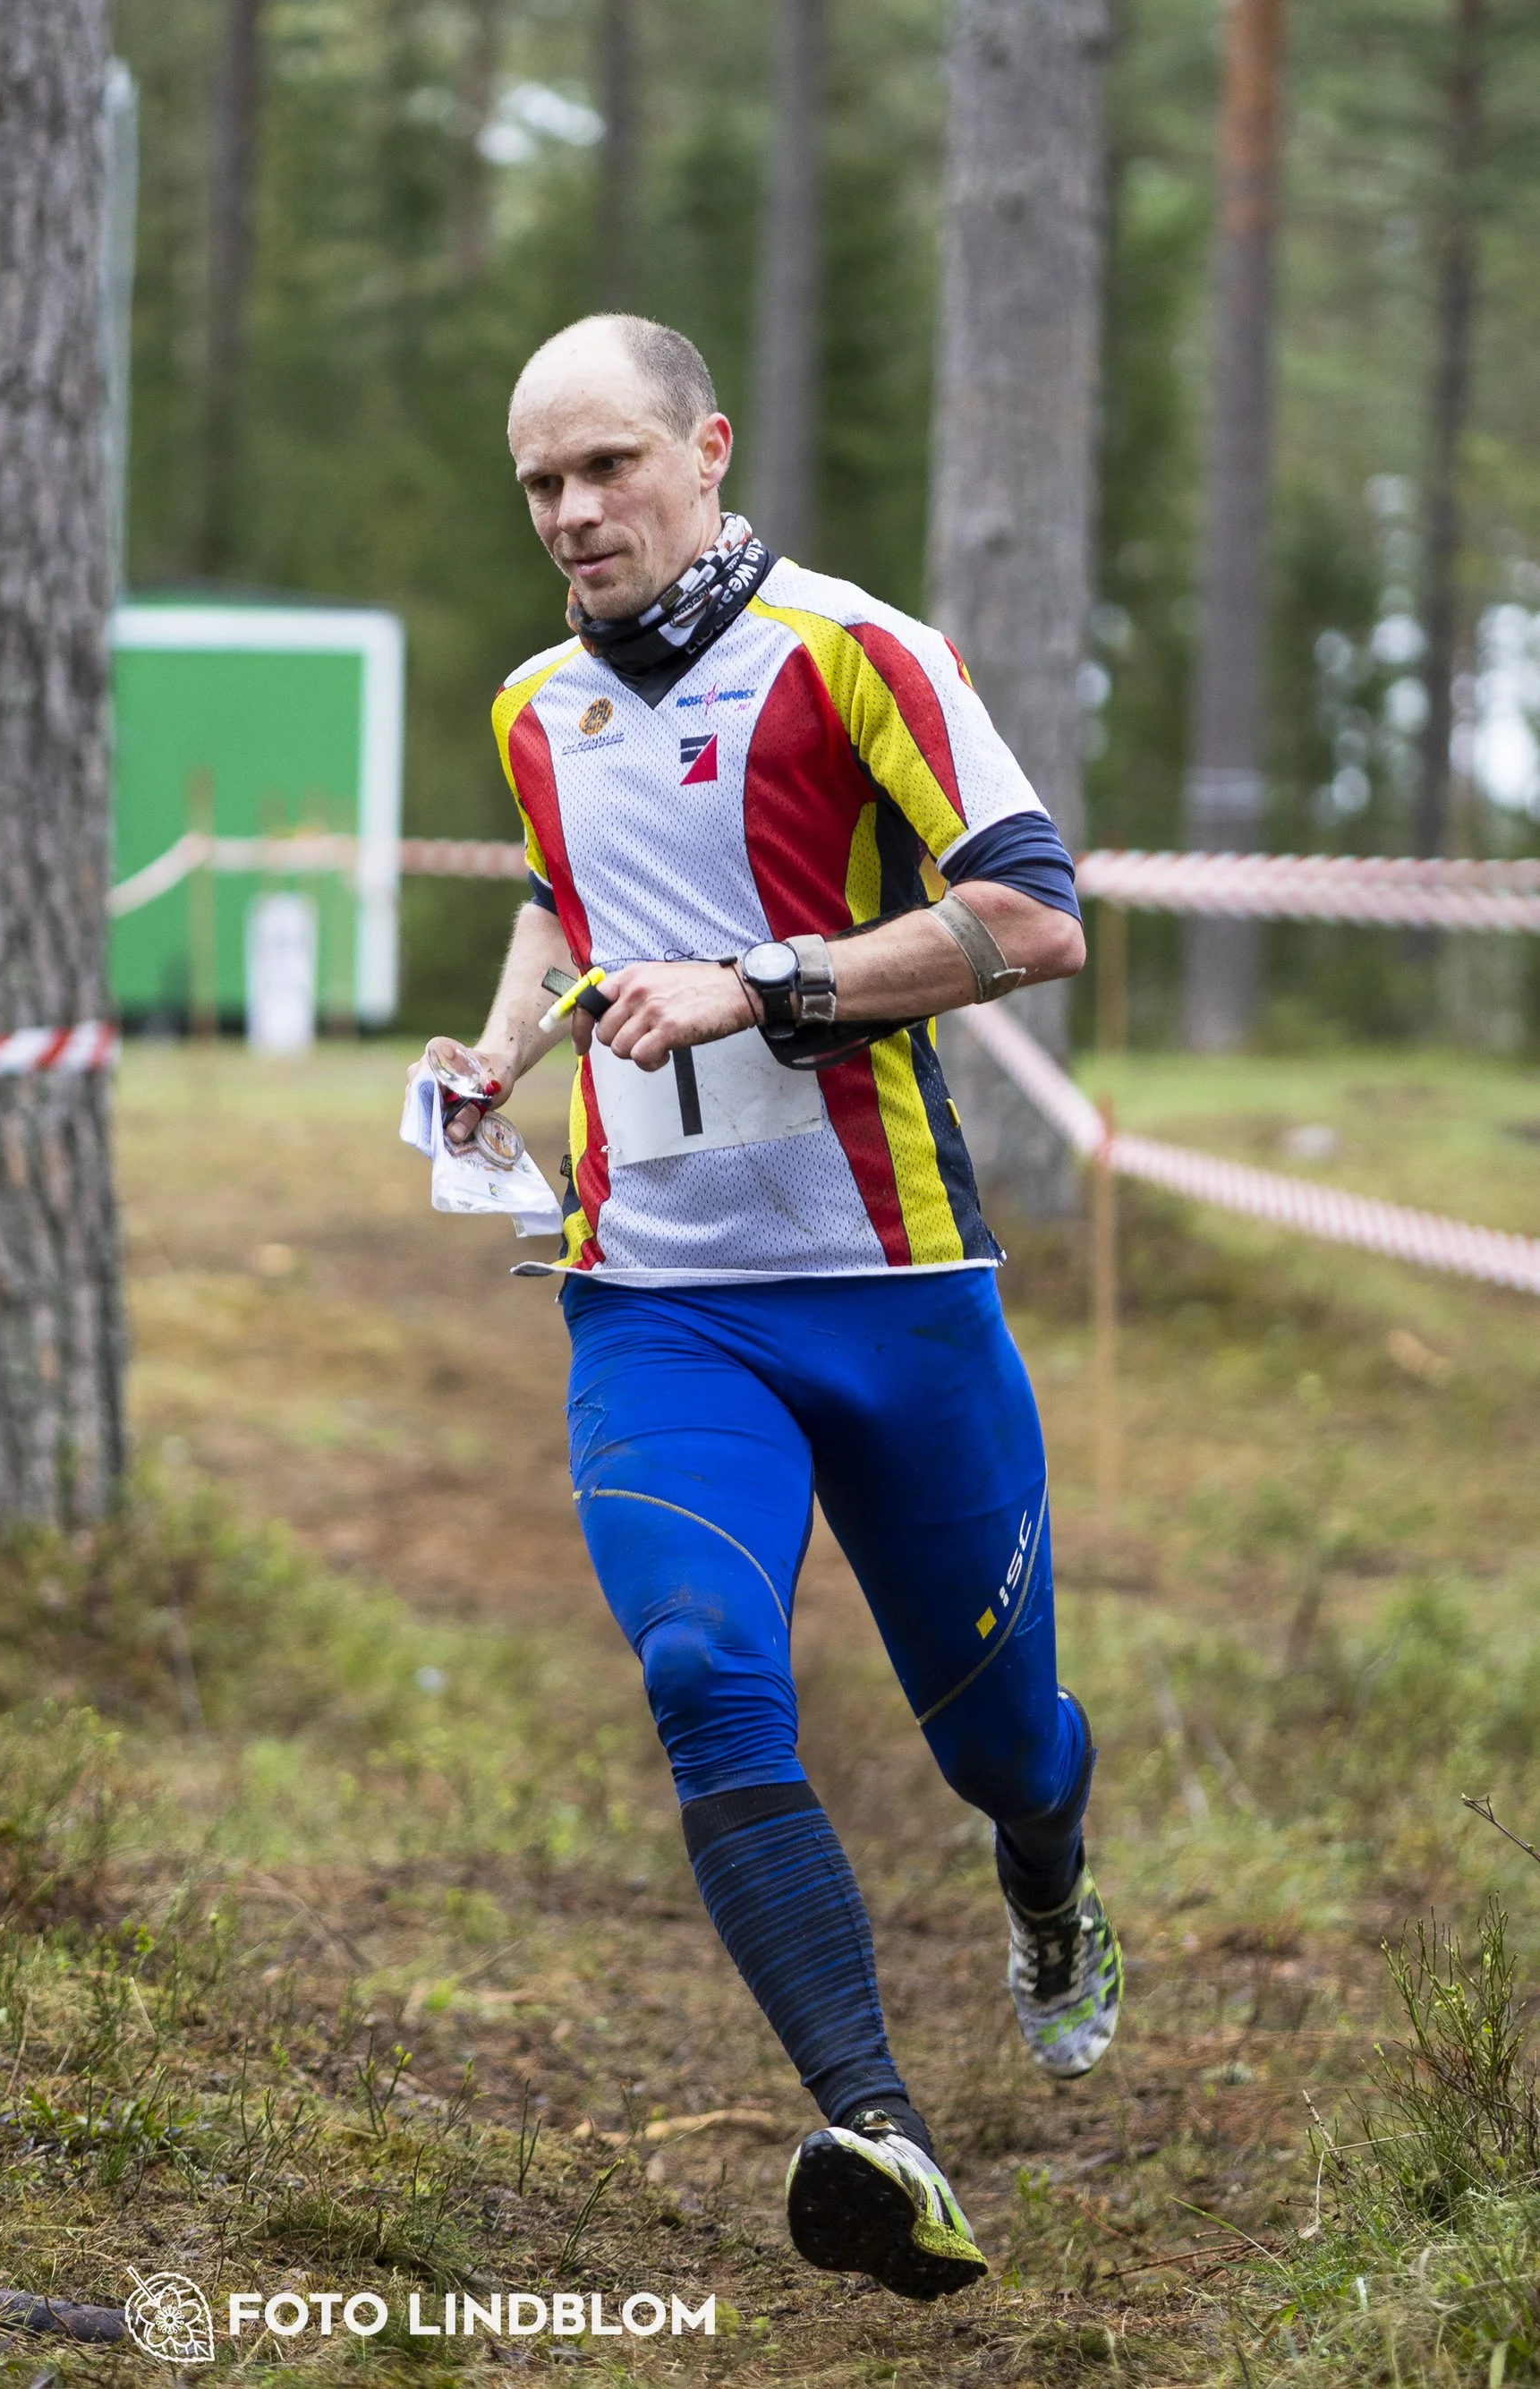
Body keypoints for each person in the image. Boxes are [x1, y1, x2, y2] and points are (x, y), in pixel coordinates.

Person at [416, 315, 1119, 2302]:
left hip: (895, 1291)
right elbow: (563, 894)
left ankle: (1049, 1885)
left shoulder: (851, 650)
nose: (570, 512)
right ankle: (873, 2124)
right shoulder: (531, 703)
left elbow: (1033, 907)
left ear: (704, 449)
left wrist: (767, 981)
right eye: (539, 481)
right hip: (658, 1303)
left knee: (1002, 1748)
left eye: (607, 466)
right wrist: (496, 1058)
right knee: (702, 1663)